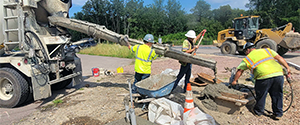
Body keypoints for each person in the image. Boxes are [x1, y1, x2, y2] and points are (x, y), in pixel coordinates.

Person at [231, 42, 292, 120]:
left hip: (263, 77)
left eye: (245, 51)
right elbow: (279, 57)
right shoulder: (267, 50)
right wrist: (287, 67)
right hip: (278, 75)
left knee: (261, 94)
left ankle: (258, 112)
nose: (245, 53)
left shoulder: (248, 58)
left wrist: (234, 81)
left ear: (248, 50)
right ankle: (278, 114)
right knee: (277, 95)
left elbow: (240, 70)